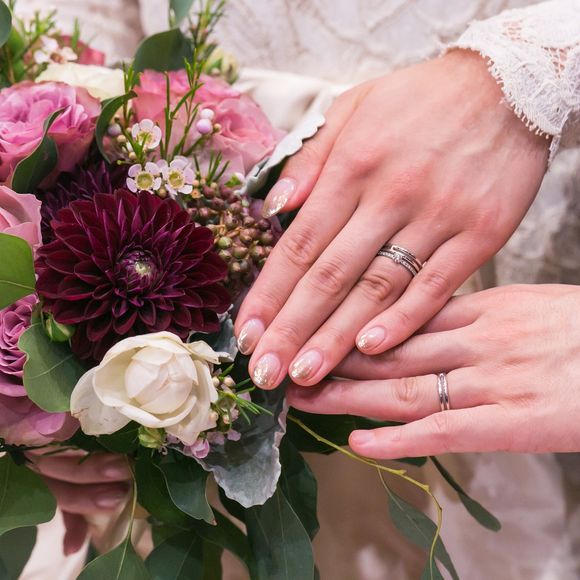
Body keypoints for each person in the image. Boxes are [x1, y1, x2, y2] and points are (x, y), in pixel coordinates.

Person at [15, 0, 580, 578]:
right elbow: (72, 34)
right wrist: (35, 389)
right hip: (166, 361)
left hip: (515, 325)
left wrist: (524, 75)